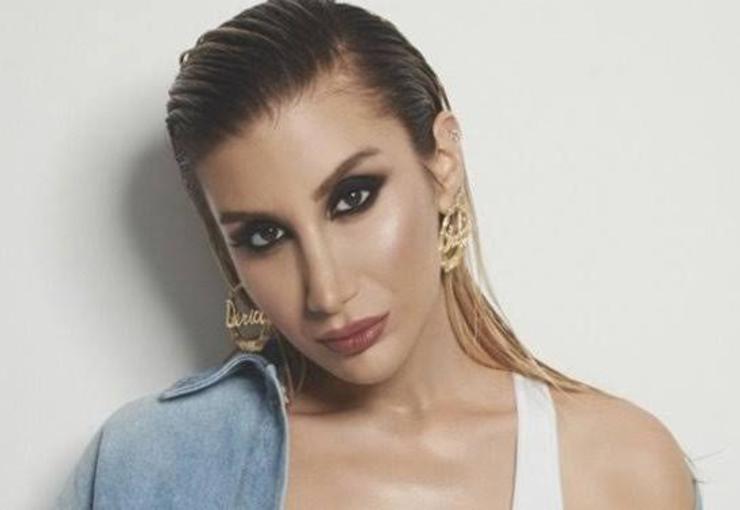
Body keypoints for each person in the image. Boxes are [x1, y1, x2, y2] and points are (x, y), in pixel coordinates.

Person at [56, 0, 704, 508]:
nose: (326, 291)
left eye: (353, 199)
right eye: (264, 236)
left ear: (442, 162)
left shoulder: (620, 470)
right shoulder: (151, 467)